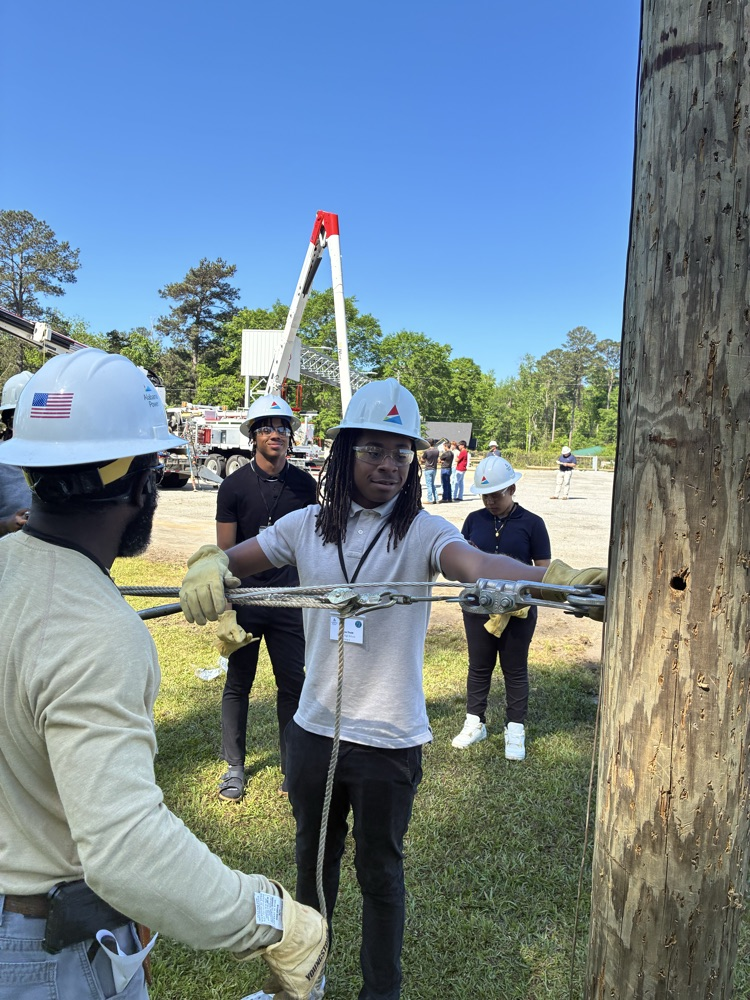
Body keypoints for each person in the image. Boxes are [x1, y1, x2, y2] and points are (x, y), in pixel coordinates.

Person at [178, 377, 607, 1000]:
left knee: (380, 875)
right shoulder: (304, 526)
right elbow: (237, 559)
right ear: (345, 453)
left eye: (402, 452)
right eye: (374, 450)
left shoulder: (424, 531)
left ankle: (381, 993)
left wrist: (553, 581)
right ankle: (306, 981)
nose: (390, 464)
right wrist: (209, 561)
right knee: (313, 869)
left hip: (388, 739)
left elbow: (477, 565)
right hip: (313, 733)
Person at [0, 350, 327, 1000]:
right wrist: (275, 919)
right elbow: (126, 849)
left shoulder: (8, 564)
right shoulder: (96, 629)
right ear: (140, 485)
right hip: (47, 954)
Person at [215, 393, 317, 801]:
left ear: (291, 436)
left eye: (282, 428)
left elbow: (314, 544)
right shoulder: (233, 487)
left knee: (293, 686)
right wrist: (226, 610)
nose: (276, 434)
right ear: (253, 436)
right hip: (247, 601)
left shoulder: (305, 486)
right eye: (267, 428)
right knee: (238, 684)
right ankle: (234, 768)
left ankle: (292, 769)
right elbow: (224, 554)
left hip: (289, 601)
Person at [452, 455, 551, 760]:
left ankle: (515, 728)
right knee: (479, 665)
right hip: (478, 607)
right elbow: (463, 561)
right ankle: (475, 722)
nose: (490, 502)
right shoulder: (473, 520)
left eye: (496, 495)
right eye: (485, 496)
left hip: (518, 609)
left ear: (512, 489)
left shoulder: (533, 523)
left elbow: (543, 570)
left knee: (515, 668)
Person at [0, 370, 33, 537]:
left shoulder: (58, 464)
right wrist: (7, 524)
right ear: (8, 422)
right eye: (18, 420)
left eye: (32, 419)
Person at [420, 438, 439, 504]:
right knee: (433, 484)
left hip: (428, 468)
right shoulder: (437, 451)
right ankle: (436, 498)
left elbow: (422, 459)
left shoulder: (427, 451)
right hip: (434, 468)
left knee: (429, 485)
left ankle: (430, 499)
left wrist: (423, 460)